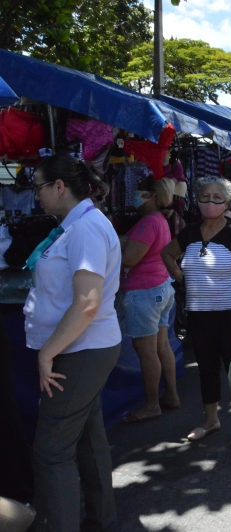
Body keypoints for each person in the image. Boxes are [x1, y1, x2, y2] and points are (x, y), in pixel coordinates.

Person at [24, 153, 122, 531]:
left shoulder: (84, 228)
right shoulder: (78, 225)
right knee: (86, 439)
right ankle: (102, 522)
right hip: (81, 348)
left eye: (38, 187)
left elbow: (87, 302)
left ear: (59, 187)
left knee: (52, 453)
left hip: (80, 350)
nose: (36, 196)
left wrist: (48, 352)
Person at [161, 177, 231, 446]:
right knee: (207, 369)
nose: (210, 202)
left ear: (226, 202)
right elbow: (167, 254)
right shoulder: (189, 233)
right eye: (205, 196)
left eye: (217, 197)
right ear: (196, 200)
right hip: (199, 315)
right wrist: (181, 278)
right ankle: (211, 420)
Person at [119, 176, 180, 423]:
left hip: (144, 291)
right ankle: (171, 396)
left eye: (142, 190)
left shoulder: (148, 222)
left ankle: (152, 404)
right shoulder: (160, 220)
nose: (136, 193)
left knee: (146, 350)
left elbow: (129, 259)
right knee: (161, 345)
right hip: (160, 288)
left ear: (153, 196)